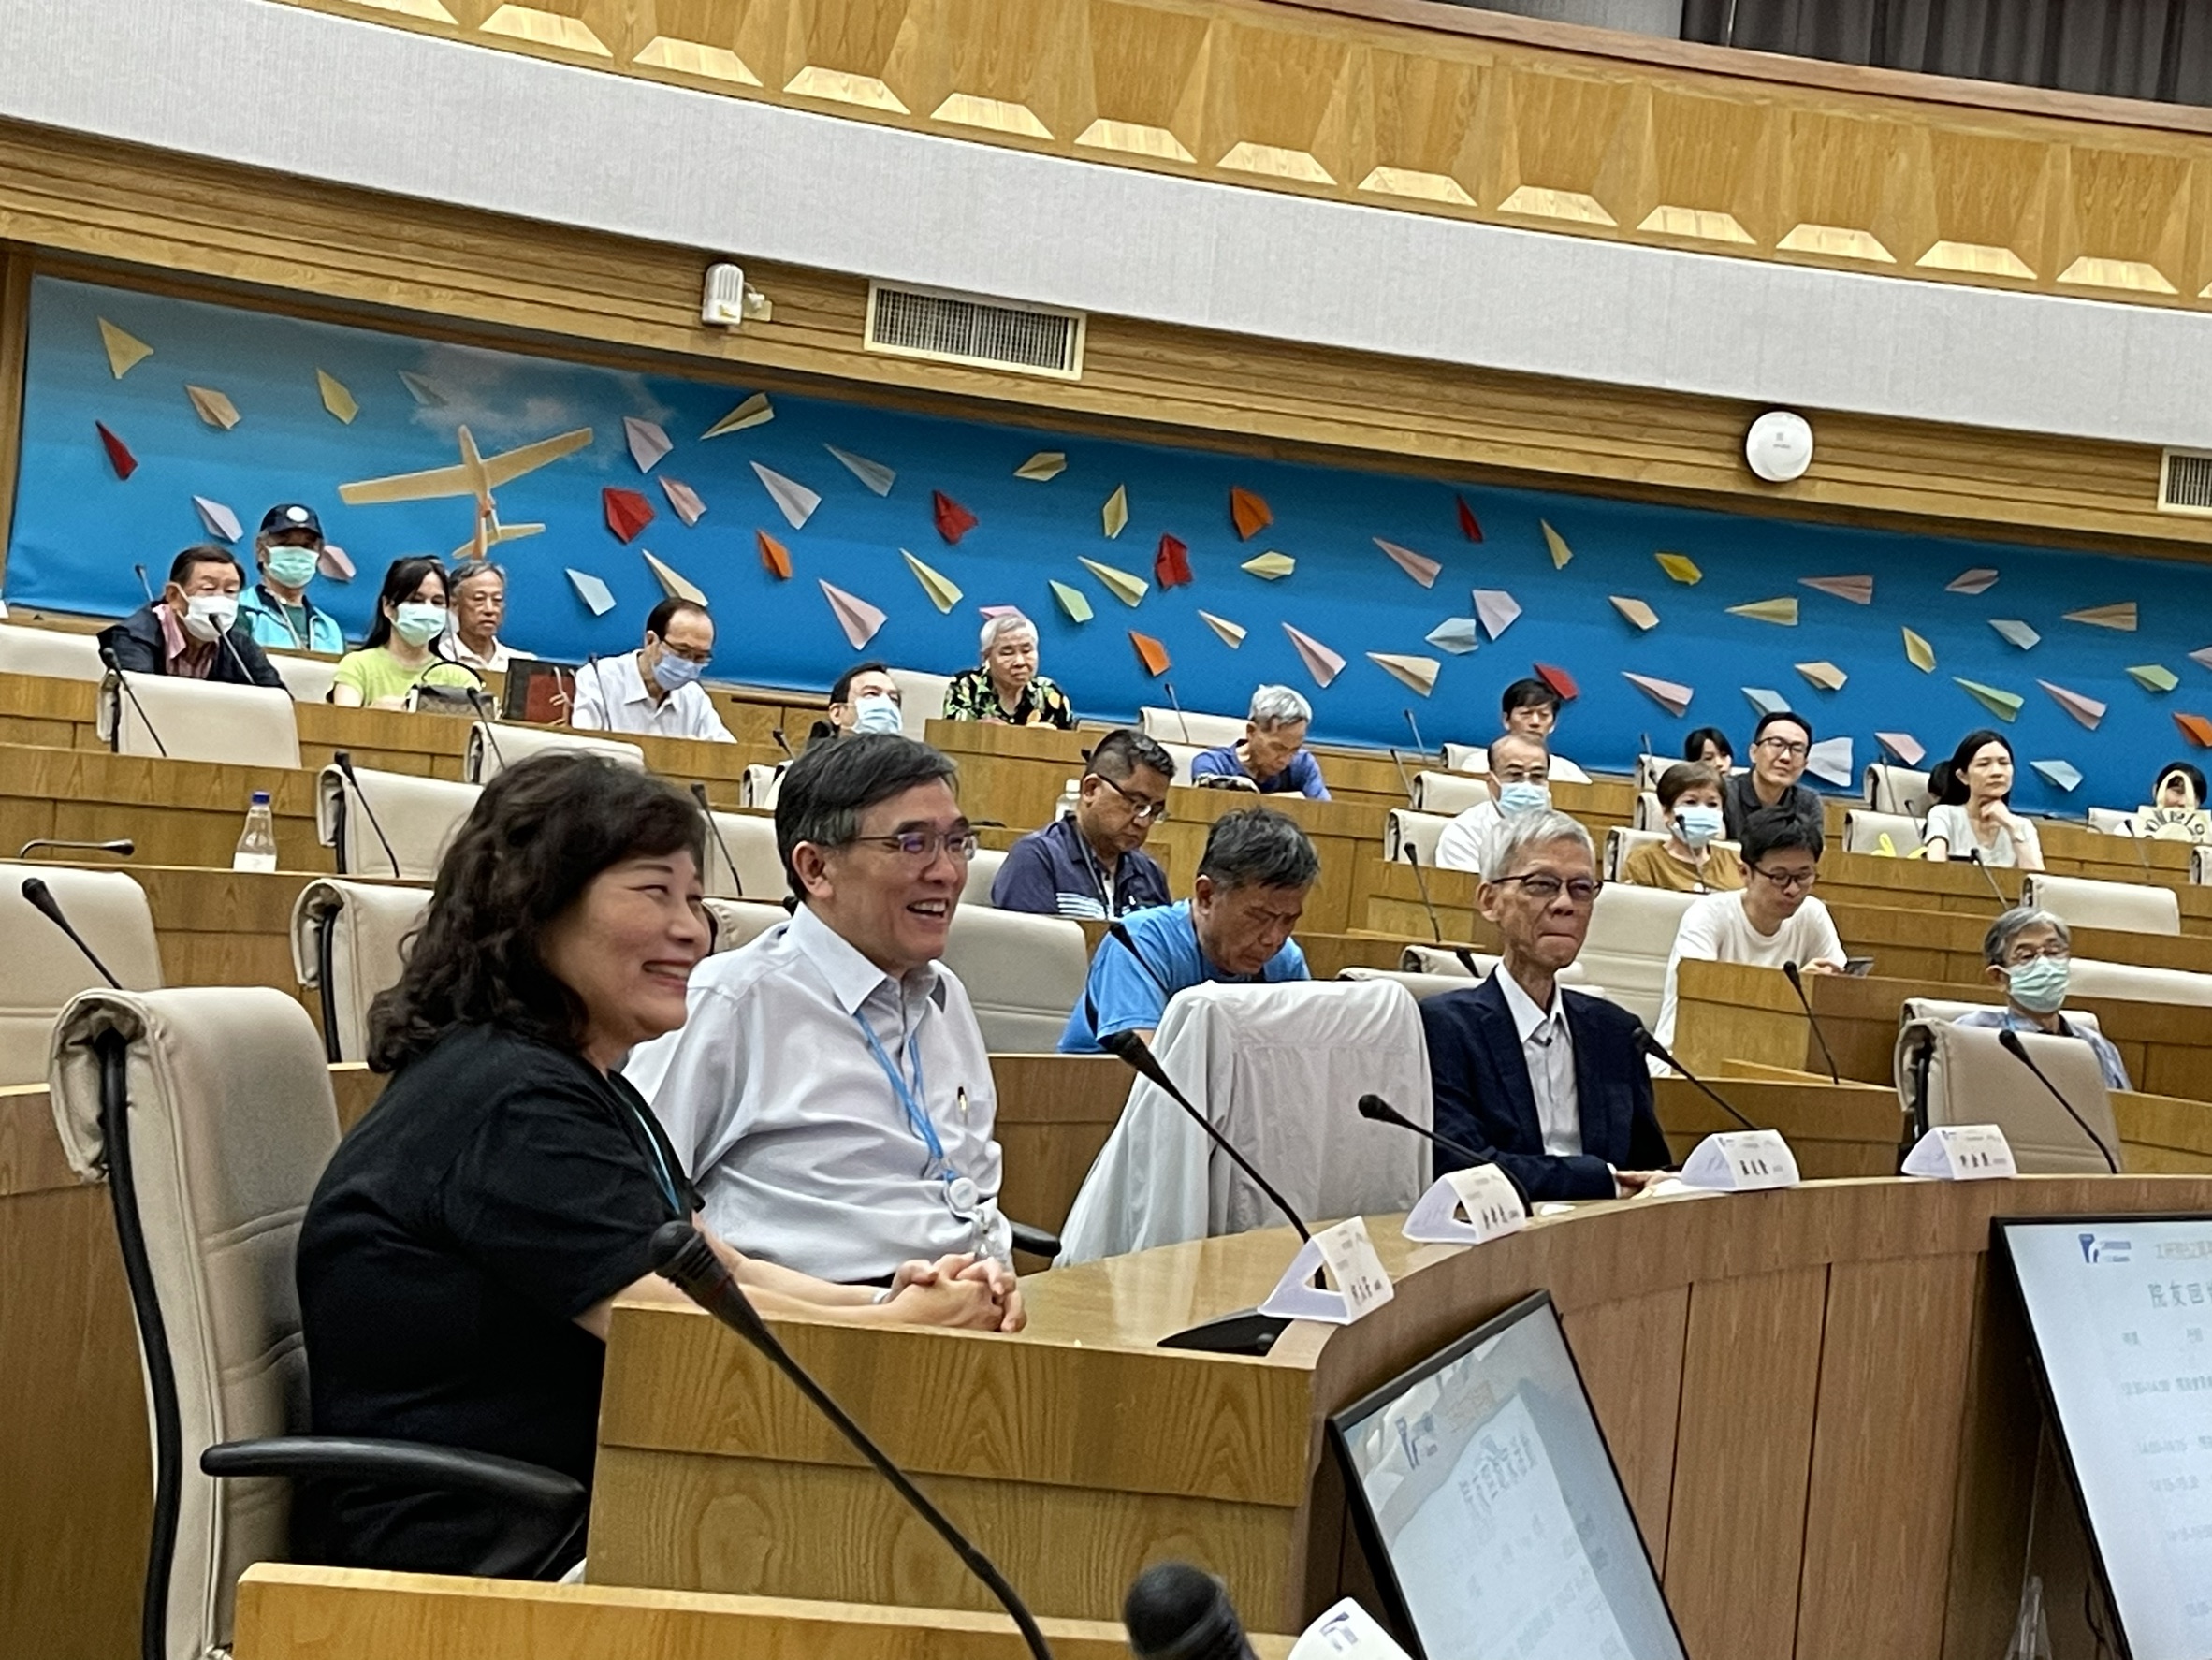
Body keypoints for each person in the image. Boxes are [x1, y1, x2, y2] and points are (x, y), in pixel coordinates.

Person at [293, 754, 1011, 1579]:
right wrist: (892, 1333)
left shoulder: (580, 1082)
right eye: (654, 894)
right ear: (537, 905)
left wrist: (895, 1302)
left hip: (605, 1496)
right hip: (491, 1548)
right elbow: (673, 1329)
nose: (691, 931)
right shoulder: (508, 1104)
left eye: (695, 901)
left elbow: (716, 1266)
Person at [627, 735, 1029, 1296]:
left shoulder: (947, 997)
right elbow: (633, 1201)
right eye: (913, 843)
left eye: (957, 842)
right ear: (815, 868)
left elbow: (974, 1185)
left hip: (972, 1307)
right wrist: (870, 1309)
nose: (947, 872)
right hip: (810, 1322)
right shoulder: (730, 1002)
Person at [1420, 811, 1670, 1201]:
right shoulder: (1444, 1027)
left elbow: (1650, 1167)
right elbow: (1461, 1167)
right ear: (1490, 901)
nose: (1565, 904)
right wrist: (1602, 1181)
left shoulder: (1618, 1032)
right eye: (1542, 885)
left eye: (1581, 888)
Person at [1059, 808, 1316, 1052]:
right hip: (1095, 1082)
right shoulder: (1139, 940)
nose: (1273, 938)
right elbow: (1150, 1068)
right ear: (1206, 896)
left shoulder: (1285, 961)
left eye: (1289, 920)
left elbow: (1306, 1056)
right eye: (1259, 916)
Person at [1654, 808, 1847, 1052]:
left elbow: (1839, 990)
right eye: (1779, 877)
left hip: (1772, 1051)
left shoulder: (1812, 913)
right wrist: (1793, 990)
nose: (1792, 889)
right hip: (1690, 1051)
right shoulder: (1708, 915)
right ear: (1745, 872)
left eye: (1803, 876)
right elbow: (1701, 997)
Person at [992, 729, 1174, 920]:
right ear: (1091, 789)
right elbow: (1034, 939)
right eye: (1137, 804)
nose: (1143, 822)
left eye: (1154, 811)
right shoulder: (1037, 858)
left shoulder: (1150, 873)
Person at [1955, 908, 2132, 1091]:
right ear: (1999, 977)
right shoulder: (1971, 1034)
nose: (2044, 965)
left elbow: (2124, 1106)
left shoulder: (2096, 1046)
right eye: (2027, 956)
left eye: (2053, 952)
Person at [98, 544, 284, 687]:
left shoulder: (239, 646)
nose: (220, 599)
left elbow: (278, 704)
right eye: (208, 588)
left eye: (230, 591)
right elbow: (137, 700)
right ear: (173, 595)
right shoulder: (134, 639)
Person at [570, 597, 735, 742]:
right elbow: (584, 748)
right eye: (682, 652)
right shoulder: (598, 678)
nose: (689, 664)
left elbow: (727, 753)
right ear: (651, 641)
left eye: (700, 657)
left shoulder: (693, 696)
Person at [330, 558, 481, 708]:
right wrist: (374, 712)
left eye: (437, 602)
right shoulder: (357, 665)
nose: (427, 609)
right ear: (388, 606)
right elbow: (344, 719)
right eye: (416, 600)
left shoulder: (461, 678)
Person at [1434, 731, 1558, 874]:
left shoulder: (1560, 831)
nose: (1527, 785)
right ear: (1491, 782)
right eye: (1515, 775)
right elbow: (1467, 885)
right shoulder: (1465, 832)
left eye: (1537, 776)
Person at [1923, 730, 2044, 870]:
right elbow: (1935, 871)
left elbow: (2036, 879)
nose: (1997, 772)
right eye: (1984, 764)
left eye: (2004, 763)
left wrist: (2013, 828)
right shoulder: (1944, 815)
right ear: (1963, 776)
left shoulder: (2023, 826)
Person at [236, 503, 345, 655]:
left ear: (319, 554)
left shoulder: (330, 629)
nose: (297, 553)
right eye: (285, 543)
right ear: (261, 549)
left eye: (307, 546)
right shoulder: (240, 611)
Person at [1187, 685, 1331, 799]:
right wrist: (1291, 802)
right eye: (1277, 748)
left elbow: (1324, 813)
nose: (1285, 760)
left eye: (1294, 750)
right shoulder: (1213, 764)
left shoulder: (1303, 764)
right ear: (1251, 731)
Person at [1621, 762, 1744, 893]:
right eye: (1690, 802)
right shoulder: (1645, 862)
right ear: (1667, 812)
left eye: (1712, 804)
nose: (1702, 811)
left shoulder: (1738, 861)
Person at [942, 613, 1073, 729]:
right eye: (1007, 653)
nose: (1020, 662)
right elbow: (955, 737)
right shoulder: (966, 686)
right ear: (986, 657)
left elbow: (1070, 743)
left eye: (1027, 651)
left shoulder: (1049, 693)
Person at [1721, 710, 1822, 841]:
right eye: (1777, 744)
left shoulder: (1808, 802)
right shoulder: (1723, 793)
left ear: (1804, 764)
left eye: (1797, 749)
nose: (1786, 757)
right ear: (1754, 753)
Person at [445, 561, 532, 673]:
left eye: (497, 600)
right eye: (479, 599)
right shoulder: (438, 659)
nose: (489, 610)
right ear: (454, 604)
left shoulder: (524, 665)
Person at [804, 661, 904, 748]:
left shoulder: (910, 762)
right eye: (871, 694)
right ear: (837, 714)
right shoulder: (814, 763)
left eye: (893, 699)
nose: (885, 703)